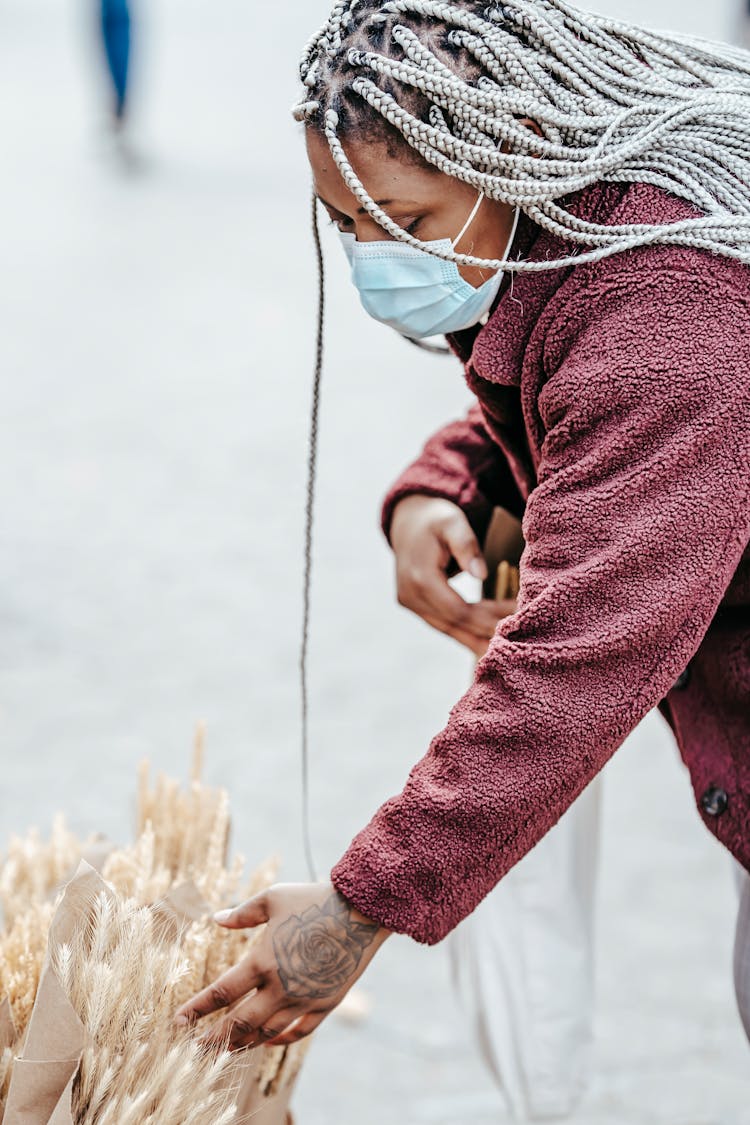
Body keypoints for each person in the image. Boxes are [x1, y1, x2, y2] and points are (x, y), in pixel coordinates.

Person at [174, 0, 750, 1080]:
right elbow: (567, 397)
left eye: (404, 221)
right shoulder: (574, 220)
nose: (373, 260)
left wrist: (358, 909)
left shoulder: (675, 311)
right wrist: (432, 492)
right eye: (343, 225)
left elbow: (575, 666)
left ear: (508, 153)